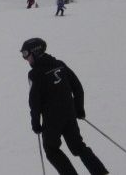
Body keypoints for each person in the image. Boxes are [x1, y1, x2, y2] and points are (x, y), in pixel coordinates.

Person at [21, 38, 109, 175]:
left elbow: (34, 102)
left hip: (52, 120)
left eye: (26, 54)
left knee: (51, 150)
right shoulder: (60, 64)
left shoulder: (35, 74)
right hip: (69, 115)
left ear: (36, 52)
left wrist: (36, 123)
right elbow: (77, 87)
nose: (25, 58)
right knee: (78, 146)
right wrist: (78, 109)